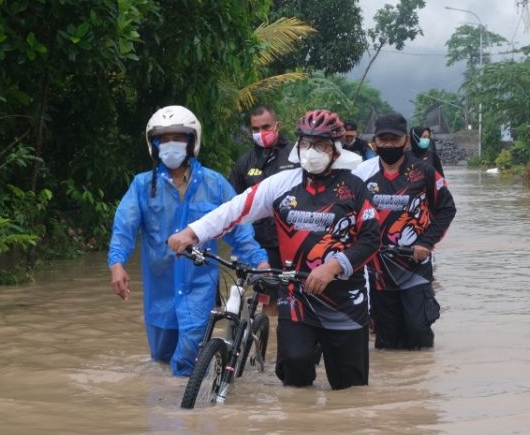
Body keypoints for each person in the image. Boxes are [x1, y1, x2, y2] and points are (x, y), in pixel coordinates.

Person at [168, 109, 381, 390]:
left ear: (336, 150)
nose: (312, 151)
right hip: (296, 297)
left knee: (349, 389)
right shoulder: (282, 184)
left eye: (321, 145)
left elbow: (371, 239)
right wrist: (192, 232)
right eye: (306, 143)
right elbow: (235, 209)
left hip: (345, 301)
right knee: (294, 370)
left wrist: (333, 266)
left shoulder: (355, 188)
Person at [108, 105, 268, 377]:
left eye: (178, 138)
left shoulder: (215, 184)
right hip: (159, 291)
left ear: (191, 141)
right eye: (164, 139)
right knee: (160, 360)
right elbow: (124, 226)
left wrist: (260, 261)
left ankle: (185, 413)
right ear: (154, 144)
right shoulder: (141, 185)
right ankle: (162, 412)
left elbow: (238, 227)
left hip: (198, 286)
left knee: (185, 362)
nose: (171, 145)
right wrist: (117, 264)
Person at [355, 113, 456, 350]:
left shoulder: (425, 172)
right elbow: (349, 215)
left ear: (406, 142)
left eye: (394, 139)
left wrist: (426, 243)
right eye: (383, 139)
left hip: (415, 265)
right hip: (377, 270)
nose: (389, 144)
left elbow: (446, 209)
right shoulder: (361, 175)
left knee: (417, 330)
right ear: (374, 142)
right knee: (386, 342)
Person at [228, 105, 297, 269]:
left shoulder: (297, 154)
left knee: (298, 291)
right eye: (255, 129)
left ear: (277, 125)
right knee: (266, 290)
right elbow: (233, 206)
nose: (261, 132)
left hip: (296, 240)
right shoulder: (244, 162)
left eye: (265, 127)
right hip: (261, 245)